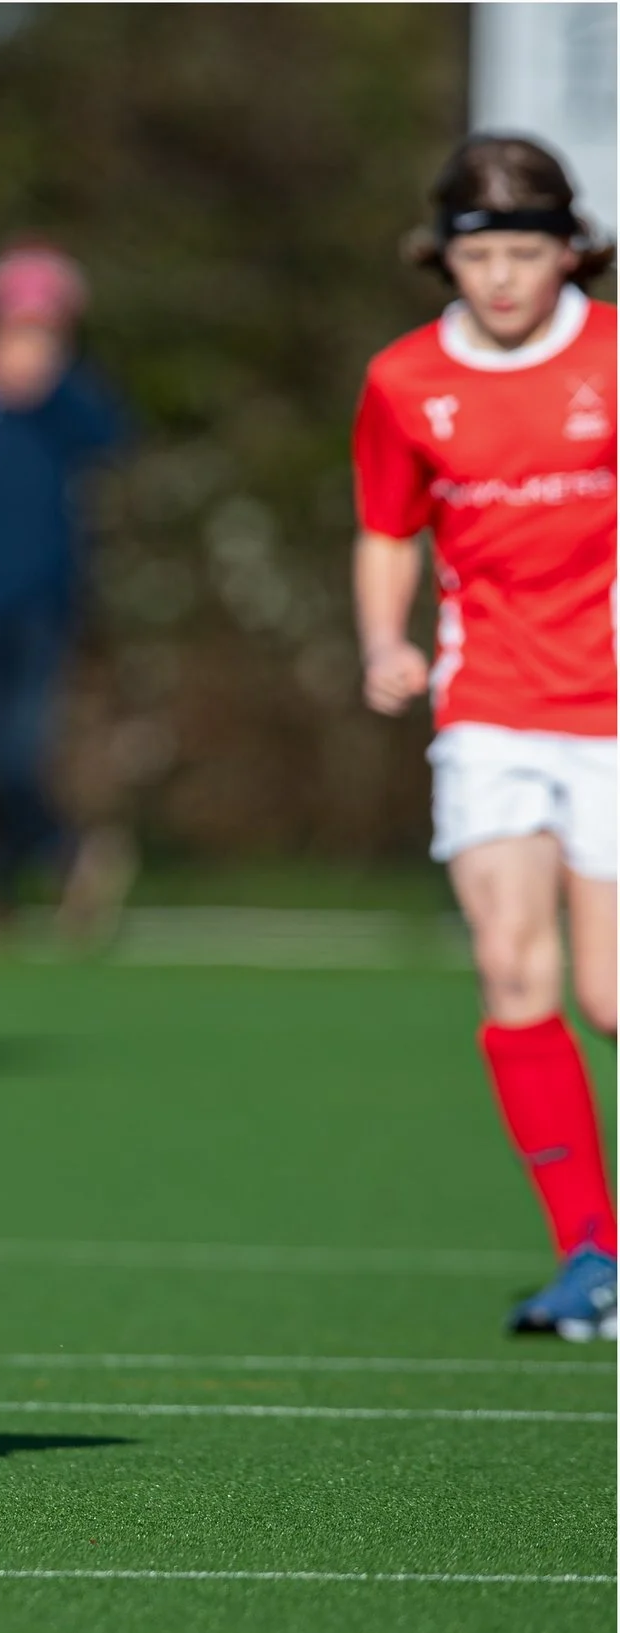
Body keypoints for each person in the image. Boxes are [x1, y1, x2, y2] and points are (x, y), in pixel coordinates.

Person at [351, 134, 616, 1341]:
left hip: (611, 711)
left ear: (571, 251)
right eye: (481, 255)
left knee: (610, 996)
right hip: (490, 710)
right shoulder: (404, 381)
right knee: (515, 972)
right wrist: (382, 642)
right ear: (442, 259)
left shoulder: (612, 361)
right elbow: (387, 526)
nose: (504, 278)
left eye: (526, 252)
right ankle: (590, 1256)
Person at [0, 242, 132, 936]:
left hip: (44, 606)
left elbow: (113, 437)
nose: (28, 352)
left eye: (45, 338)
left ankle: (1, 884)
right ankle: (62, 852)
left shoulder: (69, 410)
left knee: (17, 748)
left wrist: (57, 381)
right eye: (15, 334)